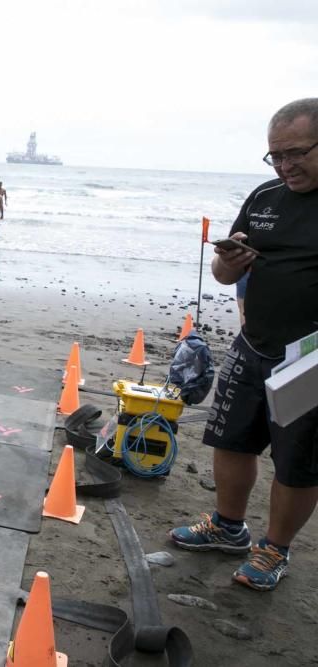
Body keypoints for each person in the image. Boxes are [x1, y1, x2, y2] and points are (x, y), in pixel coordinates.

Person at [169, 98, 318, 591]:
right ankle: (228, 526)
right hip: (253, 344)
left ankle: (275, 547)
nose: (284, 165)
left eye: (296, 152)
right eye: (275, 155)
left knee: (298, 461)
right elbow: (223, 272)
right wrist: (230, 263)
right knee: (230, 438)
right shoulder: (265, 197)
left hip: (311, 362)